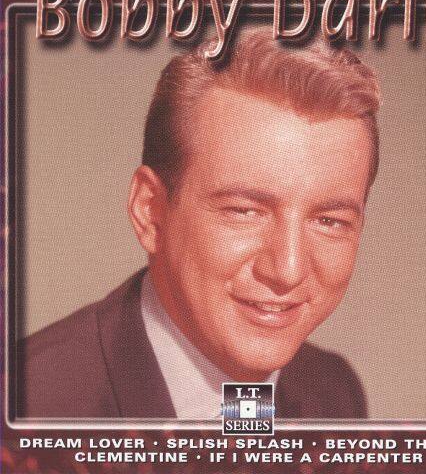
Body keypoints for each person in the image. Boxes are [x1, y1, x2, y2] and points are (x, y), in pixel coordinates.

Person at [17, 28, 380, 420]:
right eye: (244, 211)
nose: (287, 270)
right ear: (150, 211)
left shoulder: (332, 391)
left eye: (329, 221)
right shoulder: (27, 404)